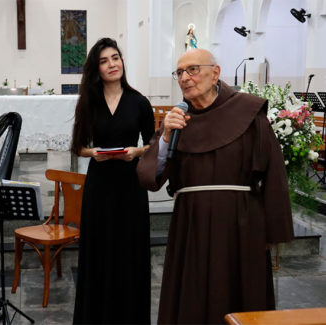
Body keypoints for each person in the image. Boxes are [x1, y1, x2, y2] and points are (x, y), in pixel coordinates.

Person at [136, 48, 294, 324]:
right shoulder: (178, 121)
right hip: (191, 226)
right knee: (192, 299)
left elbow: (274, 173)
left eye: (193, 70)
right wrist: (165, 137)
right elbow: (150, 176)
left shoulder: (248, 112)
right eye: (180, 73)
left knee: (239, 296)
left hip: (240, 226)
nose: (185, 78)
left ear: (215, 73)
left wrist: (271, 231)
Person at [71, 37, 155, 324]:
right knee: (100, 252)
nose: (112, 64)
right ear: (97, 68)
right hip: (100, 186)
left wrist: (137, 151)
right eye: (104, 60)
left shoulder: (139, 102)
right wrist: (93, 153)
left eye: (115, 58)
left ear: (122, 62)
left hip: (130, 186)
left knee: (129, 253)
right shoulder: (88, 102)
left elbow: (154, 145)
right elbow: (77, 146)